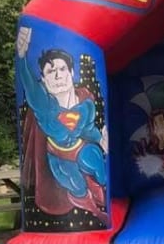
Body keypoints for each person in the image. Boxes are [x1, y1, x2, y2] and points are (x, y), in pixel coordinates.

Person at [16, 26, 109, 225]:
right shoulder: (45, 107)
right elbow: (29, 85)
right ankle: (87, 202)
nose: (57, 76)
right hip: (58, 155)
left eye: (62, 69)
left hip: (81, 147)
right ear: (43, 79)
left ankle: (99, 188)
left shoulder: (85, 104)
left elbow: (88, 129)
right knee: (76, 186)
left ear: (71, 72)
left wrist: (100, 139)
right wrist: (22, 57)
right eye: (51, 71)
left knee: (94, 161)